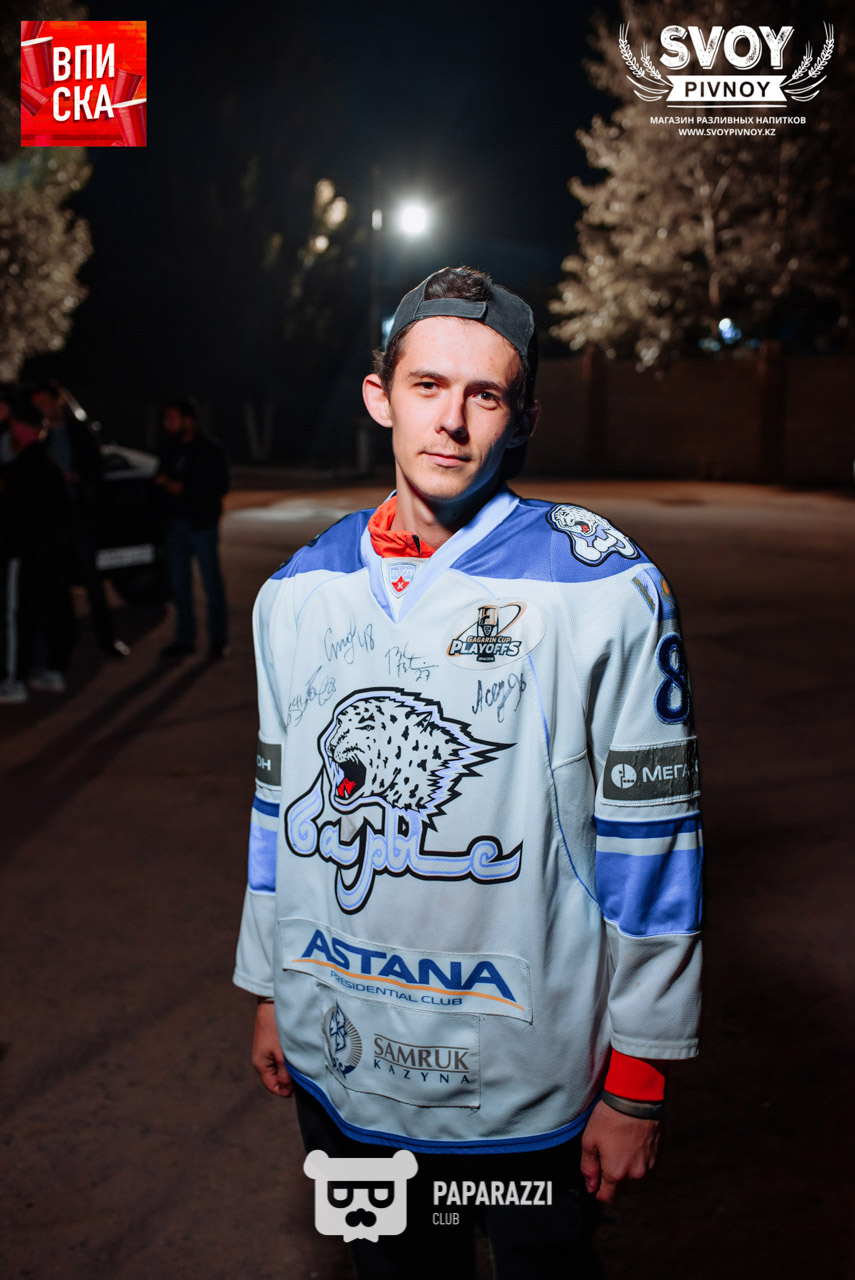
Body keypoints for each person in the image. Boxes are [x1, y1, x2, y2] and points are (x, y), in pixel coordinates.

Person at [233, 267, 703, 1277]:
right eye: (427, 386)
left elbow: (653, 842)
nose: (451, 421)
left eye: (484, 395)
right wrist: (270, 986)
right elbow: (277, 810)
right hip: (345, 1067)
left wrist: (639, 1077)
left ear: (521, 418)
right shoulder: (299, 591)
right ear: (380, 397)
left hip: (525, 1089)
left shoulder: (602, 587)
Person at [30, 380, 130, 659]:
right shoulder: (38, 435)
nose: (42, 408)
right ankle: (59, 642)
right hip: (50, 517)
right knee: (53, 581)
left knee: (91, 577)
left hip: (76, 513)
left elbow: (96, 470)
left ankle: (107, 637)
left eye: (45, 402)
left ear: (58, 401)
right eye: (37, 404)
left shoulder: (78, 431)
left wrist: (79, 478)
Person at [0, 393, 77, 703]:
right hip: (48, 555)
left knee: (16, 617)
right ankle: (51, 672)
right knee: (46, 613)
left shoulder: (23, 468)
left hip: (23, 555)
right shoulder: (48, 465)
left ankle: (13, 681)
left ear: (21, 427)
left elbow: (12, 516)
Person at [156, 398, 230, 660]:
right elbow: (160, 478)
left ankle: (218, 640)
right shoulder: (170, 448)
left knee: (211, 583)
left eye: (173, 418)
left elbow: (219, 486)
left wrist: (183, 488)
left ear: (189, 420)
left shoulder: (209, 449)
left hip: (202, 526)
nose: (167, 424)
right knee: (179, 585)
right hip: (176, 525)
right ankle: (184, 639)